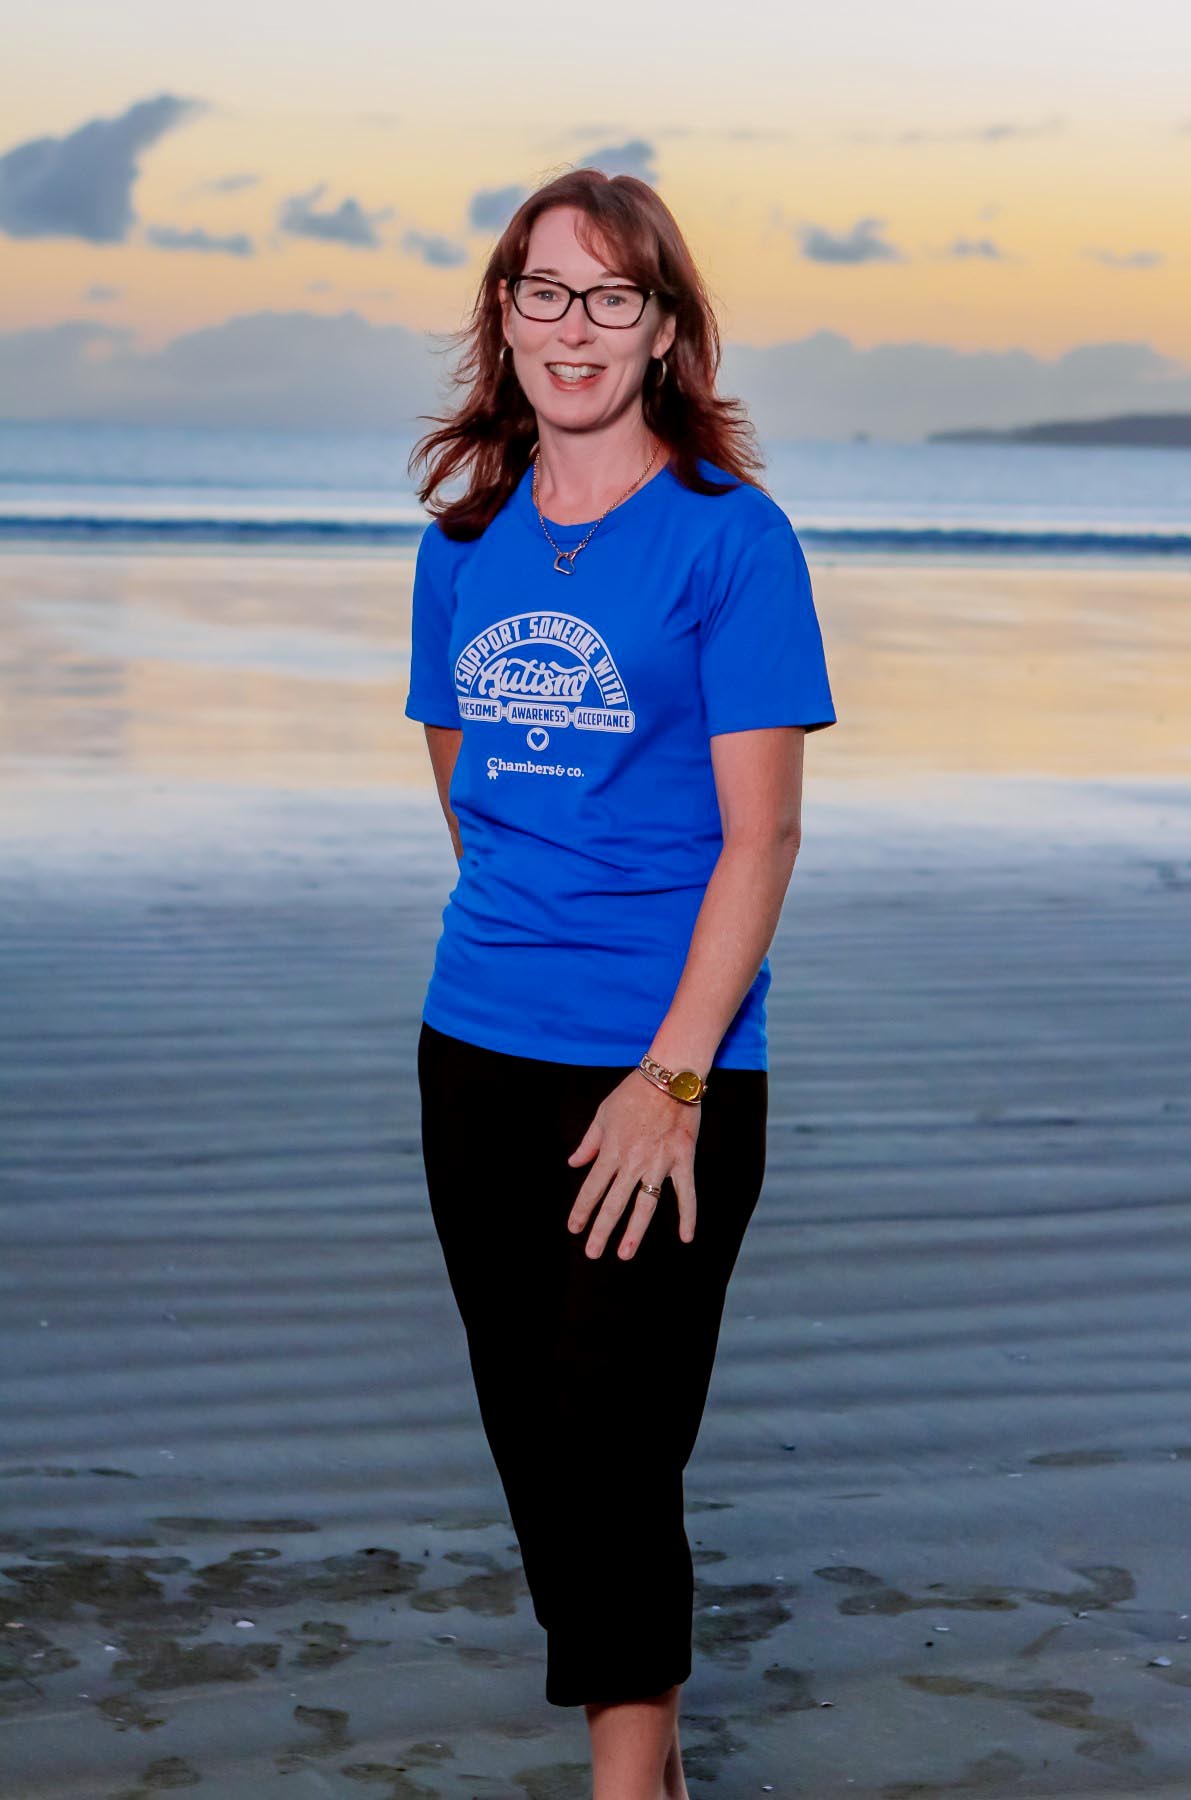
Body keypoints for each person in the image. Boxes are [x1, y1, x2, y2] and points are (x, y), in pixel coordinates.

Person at [404, 167, 836, 1800]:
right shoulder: (464, 546)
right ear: (501, 317)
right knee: (532, 1432)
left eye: (610, 298)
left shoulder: (733, 543)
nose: (571, 328)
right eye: (542, 292)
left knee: (611, 1431)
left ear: (662, 331)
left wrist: (667, 1082)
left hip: (665, 1068)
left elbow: (762, 840)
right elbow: (474, 800)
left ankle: (629, 1776)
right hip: (476, 1048)